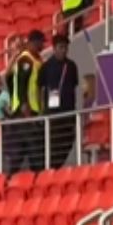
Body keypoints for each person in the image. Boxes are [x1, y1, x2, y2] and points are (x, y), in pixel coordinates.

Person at [7, 29, 46, 174]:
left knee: (31, 149)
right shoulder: (26, 59)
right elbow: (22, 84)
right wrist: (24, 106)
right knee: (31, 149)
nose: (42, 46)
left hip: (33, 111)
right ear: (33, 42)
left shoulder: (37, 59)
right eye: (41, 42)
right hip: (25, 112)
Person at [39, 32, 80, 170]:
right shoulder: (46, 66)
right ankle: (52, 168)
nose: (64, 50)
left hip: (68, 110)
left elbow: (74, 87)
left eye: (66, 47)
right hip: (52, 112)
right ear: (54, 48)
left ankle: (57, 166)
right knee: (53, 142)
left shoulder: (72, 66)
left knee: (68, 139)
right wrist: (42, 109)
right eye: (61, 47)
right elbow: (41, 88)